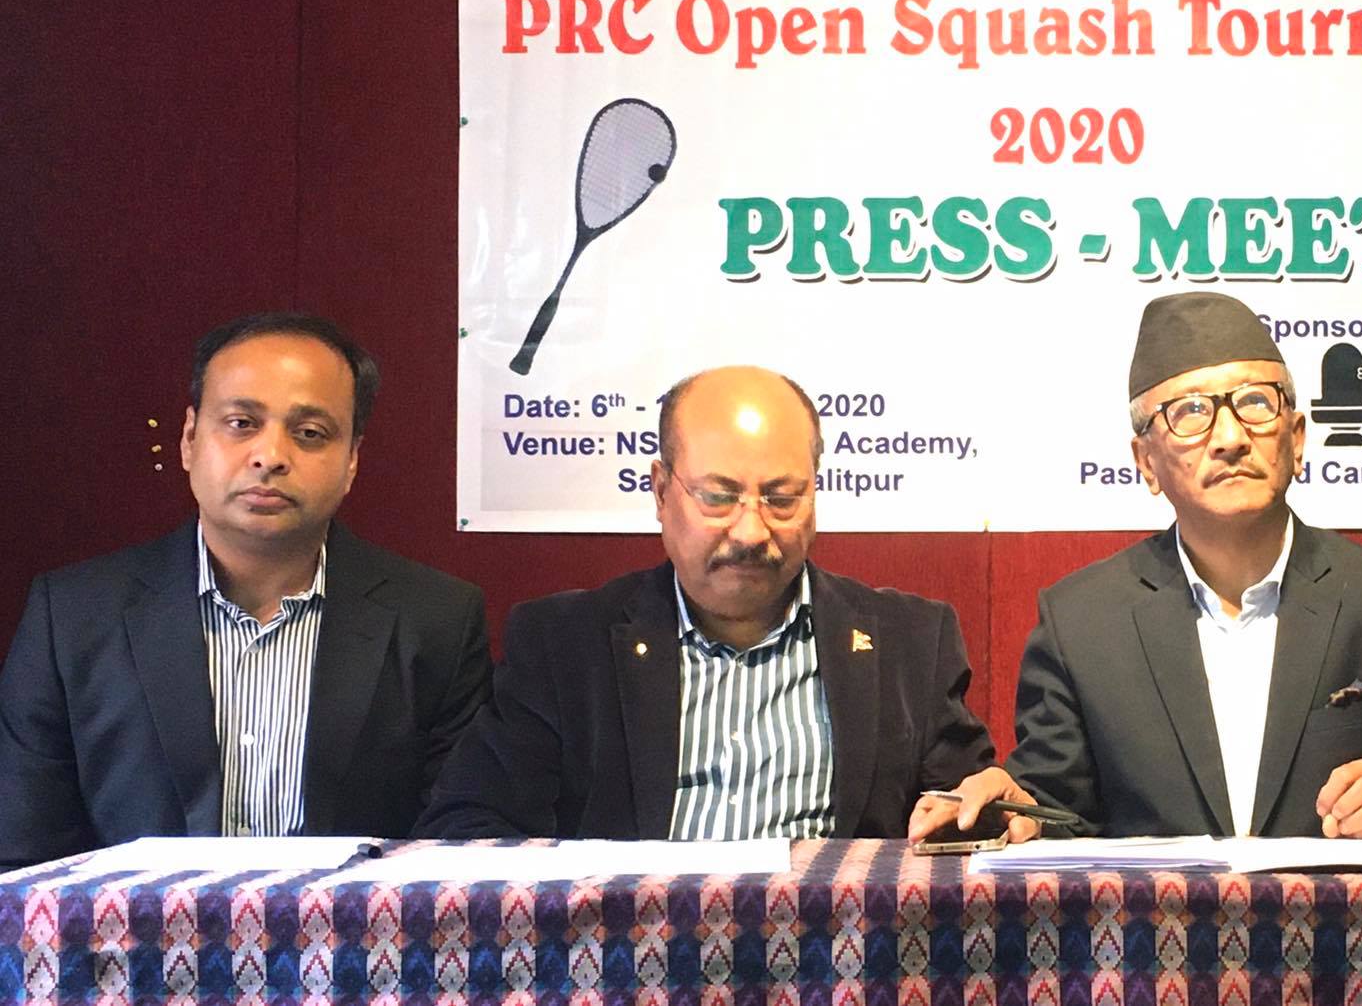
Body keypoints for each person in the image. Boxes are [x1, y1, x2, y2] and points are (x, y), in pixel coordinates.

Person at [939, 291, 1362, 841]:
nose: (1231, 439)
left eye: (1256, 403)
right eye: (1190, 412)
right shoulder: (1081, 624)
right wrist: (1017, 812)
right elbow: (1056, 811)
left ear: (1297, 439)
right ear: (1146, 462)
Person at [419, 365, 1021, 840]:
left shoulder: (911, 643)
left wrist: (993, 814)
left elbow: (966, 820)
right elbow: (467, 827)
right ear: (661, 492)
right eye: (718, 497)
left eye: (781, 498)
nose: (752, 532)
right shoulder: (564, 645)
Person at [0, 313, 491, 870]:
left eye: (310, 433)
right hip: (131, 928)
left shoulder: (437, 621)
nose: (270, 456)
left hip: (352, 927)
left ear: (352, 459)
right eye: (241, 423)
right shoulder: (72, 618)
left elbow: (456, 853)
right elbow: (25, 854)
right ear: (189, 439)